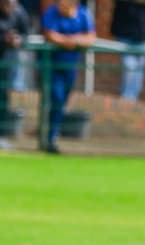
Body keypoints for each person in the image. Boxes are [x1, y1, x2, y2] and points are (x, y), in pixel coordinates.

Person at [41, 0, 94, 153]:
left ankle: (51, 134)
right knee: (56, 98)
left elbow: (90, 37)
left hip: (71, 67)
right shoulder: (52, 12)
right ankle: (50, 137)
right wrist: (70, 41)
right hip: (52, 66)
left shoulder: (83, 14)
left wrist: (74, 40)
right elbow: (49, 35)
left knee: (62, 102)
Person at [110, 0, 145, 102]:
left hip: (144, 31)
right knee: (129, 67)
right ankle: (127, 99)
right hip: (124, 30)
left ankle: (132, 99)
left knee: (139, 70)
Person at [0, 0, 29, 139]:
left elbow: (26, 34)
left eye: (11, 3)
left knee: (2, 97)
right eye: (6, 3)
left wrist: (19, 40)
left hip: (6, 63)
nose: (9, 6)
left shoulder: (19, 12)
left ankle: (1, 134)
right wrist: (3, 39)